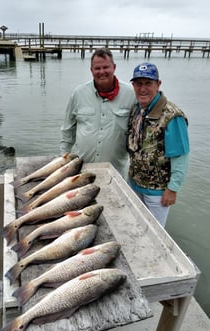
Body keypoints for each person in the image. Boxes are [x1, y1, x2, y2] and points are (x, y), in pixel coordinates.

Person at [126, 62, 190, 227]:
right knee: (133, 224)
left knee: (154, 232)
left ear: (158, 84)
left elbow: (180, 156)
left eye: (148, 83)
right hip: (134, 183)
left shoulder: (172, 116)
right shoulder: (137, 109)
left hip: (158, 192)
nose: (143, 89)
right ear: (133, 85)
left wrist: (172, 189)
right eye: (139, 84)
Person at [60, 47, 136, 177]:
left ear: (114, 67)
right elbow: (68, 129)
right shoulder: (79, 93)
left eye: (106, 67)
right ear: (91, 70)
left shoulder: (131, 94)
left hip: (115, 172)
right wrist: (62, 159)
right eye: (97, 68)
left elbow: (138, 134)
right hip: (81, 168)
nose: (102, 72)